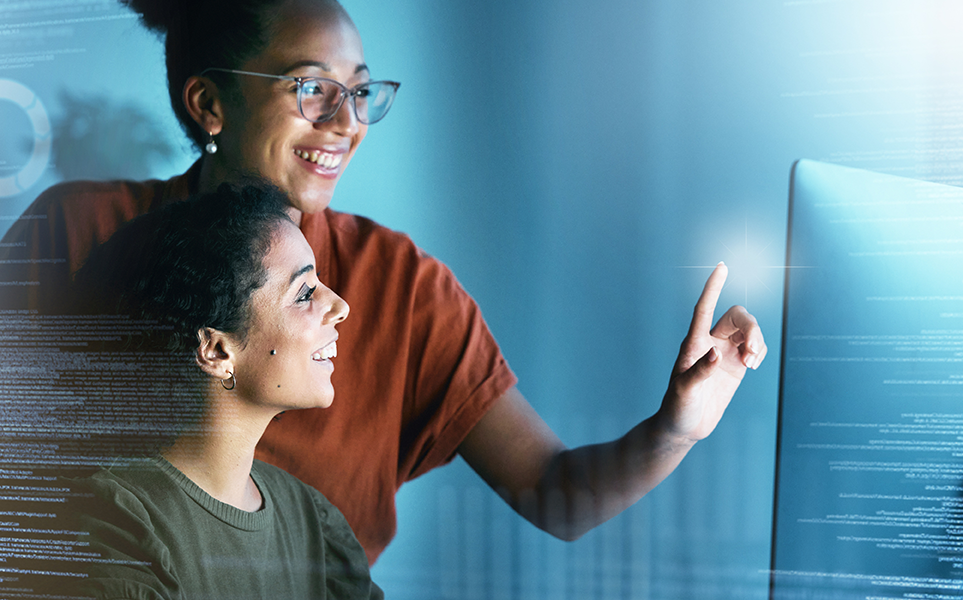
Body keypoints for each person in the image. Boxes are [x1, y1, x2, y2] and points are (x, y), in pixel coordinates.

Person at [0, 0, 767, 564]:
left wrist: (677, 428)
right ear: (209, 102)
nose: (346, 121)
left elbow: (555, 494)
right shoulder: (79, 235)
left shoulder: (403, 288)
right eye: (310, 87)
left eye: (359, 91)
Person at [39, 181, 382, 598]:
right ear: (217, 350)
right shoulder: (114, 520)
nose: (341, 307)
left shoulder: (312, 518)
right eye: (305, 292)